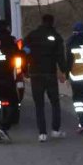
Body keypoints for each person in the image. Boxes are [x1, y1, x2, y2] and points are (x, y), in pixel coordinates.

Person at [23, 13, 68, 143]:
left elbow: (24, 50)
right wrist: (64, 71)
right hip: (50, 74)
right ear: (52, 22)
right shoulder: (55, 36)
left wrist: (26, 67)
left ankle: (42, 133)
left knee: (39, 105)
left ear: (42, 21)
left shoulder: (32, 36)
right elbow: (60, 55)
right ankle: (55, 130)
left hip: (36, 74)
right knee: (55, 103)